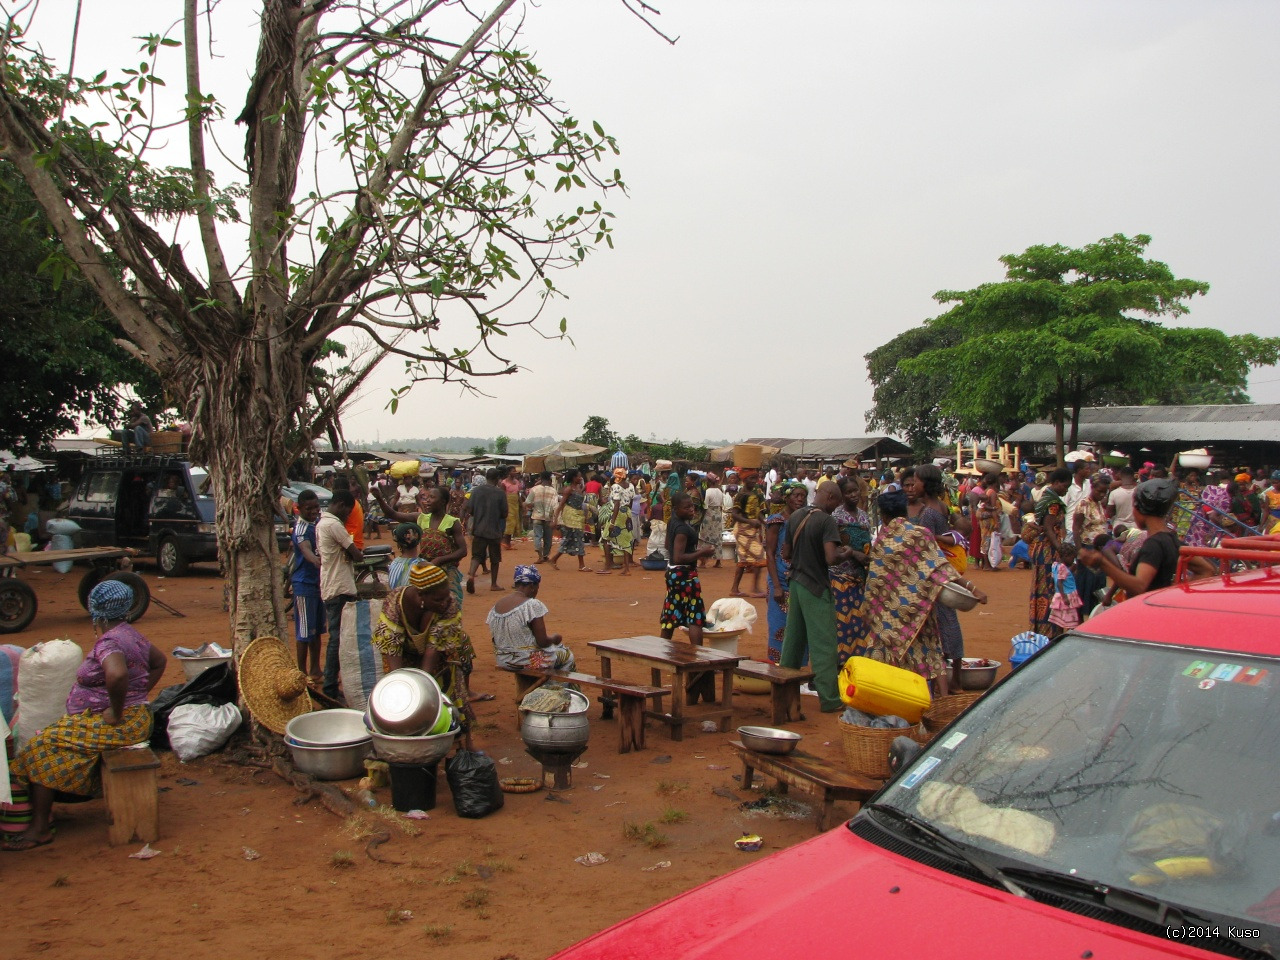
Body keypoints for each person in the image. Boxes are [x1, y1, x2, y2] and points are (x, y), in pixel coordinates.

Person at [4, 580, 166, 851]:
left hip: (123, 723)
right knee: (49, 739)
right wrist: (137, 696)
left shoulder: (110, 640)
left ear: (95, 610)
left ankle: (40, 828)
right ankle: (45, 817)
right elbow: (159, 662)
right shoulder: (131, 633)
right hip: (135, 717)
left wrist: (117, 709)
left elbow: (117, 674)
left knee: (39, 747)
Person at [851, 491, 986, 697]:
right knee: (931, 649)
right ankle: (942, 699)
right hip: (920, 609)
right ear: (904, 511)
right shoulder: (920, 534)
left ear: (884, 515)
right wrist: (972, 587)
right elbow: (939, 567)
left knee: (887, 652)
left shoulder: (882, 541)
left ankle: (896, 696)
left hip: (889, 614)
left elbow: (875, 581)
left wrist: (869, 610)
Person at [371, 561, 476, 748]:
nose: (445, 603)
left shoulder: (449, 605)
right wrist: (402, 687)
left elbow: (433, 650)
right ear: (420, 596)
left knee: (449, 694)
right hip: (402, 652)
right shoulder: (395, 602)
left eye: (446, 597)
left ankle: (464, 749)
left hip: (439, 655)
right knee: (401, 699)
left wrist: (424, 690)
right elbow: (391, 647)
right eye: (438, 600)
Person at [779, 482, 853, 711]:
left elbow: (786, 553)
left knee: (793, 642)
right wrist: (846, 553)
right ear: (830, 497)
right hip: (816, 587)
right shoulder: (826, 521)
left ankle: (782, 693)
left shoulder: (796, 516)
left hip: (797, 583)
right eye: (837, 502)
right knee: (824, 644)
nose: (836, 507)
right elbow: (831, 558)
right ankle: (830, 699)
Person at [1079, 478, 1213, 598]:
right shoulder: (1173, 540)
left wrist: (1102, 562)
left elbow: (1139, 586)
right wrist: (1174, 591)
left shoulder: (1153, 545)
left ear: (1138, 509)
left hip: (1146, 614)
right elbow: (1207, 570)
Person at [903, 465, 969, 685]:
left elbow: (925, 548)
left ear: (925, 484)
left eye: (916, 481)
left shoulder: (928, 513)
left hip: (933, 573)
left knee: (938, 626)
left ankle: (940, 678)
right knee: (950, 621)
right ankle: (956, 679)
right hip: (944, 569)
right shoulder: (941, 506)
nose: (914, 485)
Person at [659, 492, 717, 702]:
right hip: (684, 574)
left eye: (693, 507)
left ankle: (660, 650)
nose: (691, 510)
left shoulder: (674, 523)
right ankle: (697, 655)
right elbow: (678, 555)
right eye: (687, 508)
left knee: (671, 612)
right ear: (676, 509)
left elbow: (668, 545)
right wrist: (701, 553)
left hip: (673, 573)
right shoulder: (683, 528)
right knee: (695, 615)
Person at [374, 485, 468, 608]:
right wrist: (379, 498)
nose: (427, 500)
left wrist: (439, 560)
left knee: (449, 605)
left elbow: (463, 551)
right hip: (425, 569)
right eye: (427, 497)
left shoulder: (452, 522)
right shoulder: (420, 518)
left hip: (446, 571)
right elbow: (393, 514)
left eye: (432, 497)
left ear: (443, 502)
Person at [318, 489, 363, 702]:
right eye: (349, 511)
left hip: (332, 585)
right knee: (338, 639)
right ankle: (330, 687)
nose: (349, 515)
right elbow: (355, 553)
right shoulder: (334, 525)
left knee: (337, 638)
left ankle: (332, 684)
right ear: (342, 506)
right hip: (340, 587)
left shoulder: (322, 523)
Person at [487, 565, 575, 671]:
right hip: (526, 661)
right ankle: (553, 687)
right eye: (537, 587)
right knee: (567, 656)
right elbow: (542, 641)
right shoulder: (532, 605)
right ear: (532, 585)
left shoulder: (497, 605)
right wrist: (555, 638)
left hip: (504, 660)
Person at [830, 475, 872, 670]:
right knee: (841, 625)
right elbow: (832, 547)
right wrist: (855, 554)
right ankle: (840, 667)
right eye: (848, 492)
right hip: (840, 578)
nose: (853, 495)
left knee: (861, 625)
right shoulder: (836, 517)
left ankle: (857, 666)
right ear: (841, 495)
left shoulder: (864, 516)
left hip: (860, 578)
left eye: (855, 491)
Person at [763, 481, 807, 664]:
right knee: (779, 624)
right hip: (780, 579)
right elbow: (771, 554)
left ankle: (798, 667)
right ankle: (777, 665)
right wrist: (777, 586)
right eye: (796, 495)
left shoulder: (806, 520)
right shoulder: (777, 521)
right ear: (787, 498)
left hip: (800, 580)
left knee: (800, 626)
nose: (800, 499)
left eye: (803, 496)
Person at [1029, 467, 1071, 635]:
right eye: (1065, 486)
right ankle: (1050, 631)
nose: (1065, 490)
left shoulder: (1046, 497)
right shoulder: (1053, 503)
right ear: (1056, 482)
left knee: (1042, 589)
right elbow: (1048, 528)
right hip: (1048, 550)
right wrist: (1060, 549)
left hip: (1041, 549)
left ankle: (1042, 629)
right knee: (1049, 590)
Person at [290, 489, 326, 678]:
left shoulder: (316, 525)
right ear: (299, 508)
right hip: (304, 584)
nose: (313, 511)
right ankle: (301, 673)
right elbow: (306, 551)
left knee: (317, 630)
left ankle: (314, 668)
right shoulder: (301, 529)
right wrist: (319, 562)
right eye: (309, 508)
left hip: (317, 583)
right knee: (304, 632)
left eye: (316, 507)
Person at [466, 468, 507, 593]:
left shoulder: (476, 491)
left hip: (478, 528)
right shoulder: (500, 493)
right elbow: (504, 513)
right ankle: (493, 584)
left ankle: (471, 575)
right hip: (494, 530)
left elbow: (470, 509)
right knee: (495, 559)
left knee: (476, 556)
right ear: (496, 479)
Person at [729, 476, 768, 597]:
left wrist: (765, 523)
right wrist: (750, 521)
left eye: (754, 478)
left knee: (744, 559)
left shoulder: (758, 493)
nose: (753, 480)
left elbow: (760, 513)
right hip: (742, 530)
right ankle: (754, 588)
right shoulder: (741, 495)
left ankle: (735, 588)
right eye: (750, 479)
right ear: (744, 480)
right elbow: (734, 514)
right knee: (759, 555)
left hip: (754, 530)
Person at [597, 467, 636, 576]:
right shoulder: (631, 486)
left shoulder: (616, 487)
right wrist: (628, 514)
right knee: (626, 540)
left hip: (617, 513)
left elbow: (617, 504)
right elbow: (631, 502)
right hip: (627, 512)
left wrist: (613, 522)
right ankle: (627, 568)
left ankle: (607, 566)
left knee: (605, 538)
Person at [549, 469, 589, 572]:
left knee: (569, 538)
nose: (580, 478)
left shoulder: (579, 488)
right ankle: (581, 565)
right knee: (578, 538)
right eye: (578, 476)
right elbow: (561, 505)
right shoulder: (568, 489)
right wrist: (555, 520)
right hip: (570, 516)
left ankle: (554, 558)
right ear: (573, 478)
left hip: (578, 515)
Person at [1048, 542, 1083, 637]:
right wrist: (1065, 598)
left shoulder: (1055, 565)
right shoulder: (1063, 567)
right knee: (1071, 620)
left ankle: (1058, 637)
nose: (1073, 560)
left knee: (1059, 620)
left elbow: (1054, 580)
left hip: (1059, 596)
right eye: (1072, 557)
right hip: (1067, 596)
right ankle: (1070, 638)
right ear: (1066, 556)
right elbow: (1059, 583)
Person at [526, 473, 559, 564]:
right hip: (548, 517)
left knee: (537, 536)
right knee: (548, 537)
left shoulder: (534, 489)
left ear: (540, 479)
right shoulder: (553, 491)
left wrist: (534, 505)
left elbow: (527, 502)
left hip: (537, 516)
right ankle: (545, 556)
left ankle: (540, 556)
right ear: (550, 480)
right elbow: (556, 506)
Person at [1072, 472, 1111, 547]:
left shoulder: (1099, 504)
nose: (1102, 494)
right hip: (1088, 546)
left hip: (1101, 547)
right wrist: (1080, 551)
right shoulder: (1084, 505)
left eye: (1105, 492)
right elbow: (1076, 528)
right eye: (1099, 491)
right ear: (1092, 487)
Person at [699, 473, 726, 569]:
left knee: (705, 537)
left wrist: (701, 518)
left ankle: (703, 562)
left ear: (709, 481)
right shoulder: (720, 491)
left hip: (709, 515)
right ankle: (718, 562)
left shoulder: (708, 492)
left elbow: (705, 506)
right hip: (718, 515)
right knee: (717, 537)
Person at [386, 522, 422, 589]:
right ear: (419, 541)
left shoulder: (393, 563)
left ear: (398, 544)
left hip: (396, 598)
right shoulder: (423, 565)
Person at [500, 468, 523, 549]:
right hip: (508, 503)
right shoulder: (504, 483)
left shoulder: (517, 482)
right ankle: (505, 541)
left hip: (515, 504)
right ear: (509, 472)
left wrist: (521, 504)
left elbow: (518, 494)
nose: (515, 473)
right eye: (513, 471)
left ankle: (508, 543)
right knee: (510, 522)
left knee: (515, 522)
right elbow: (502, 495)